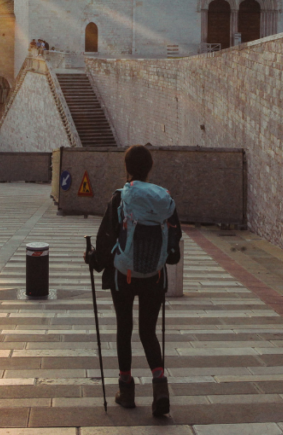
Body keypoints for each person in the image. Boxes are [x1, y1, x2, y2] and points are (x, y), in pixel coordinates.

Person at [85, 145, 182, 417]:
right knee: (148, 331)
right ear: (150, 169)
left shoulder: (120, 198)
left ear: (126, 168)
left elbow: (106, 240)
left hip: (123, 276)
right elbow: (174, 247)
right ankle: (160, 386)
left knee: (124, 327)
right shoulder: (164, 199)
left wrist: (94, 260)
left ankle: (126, 390)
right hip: (155, 276)